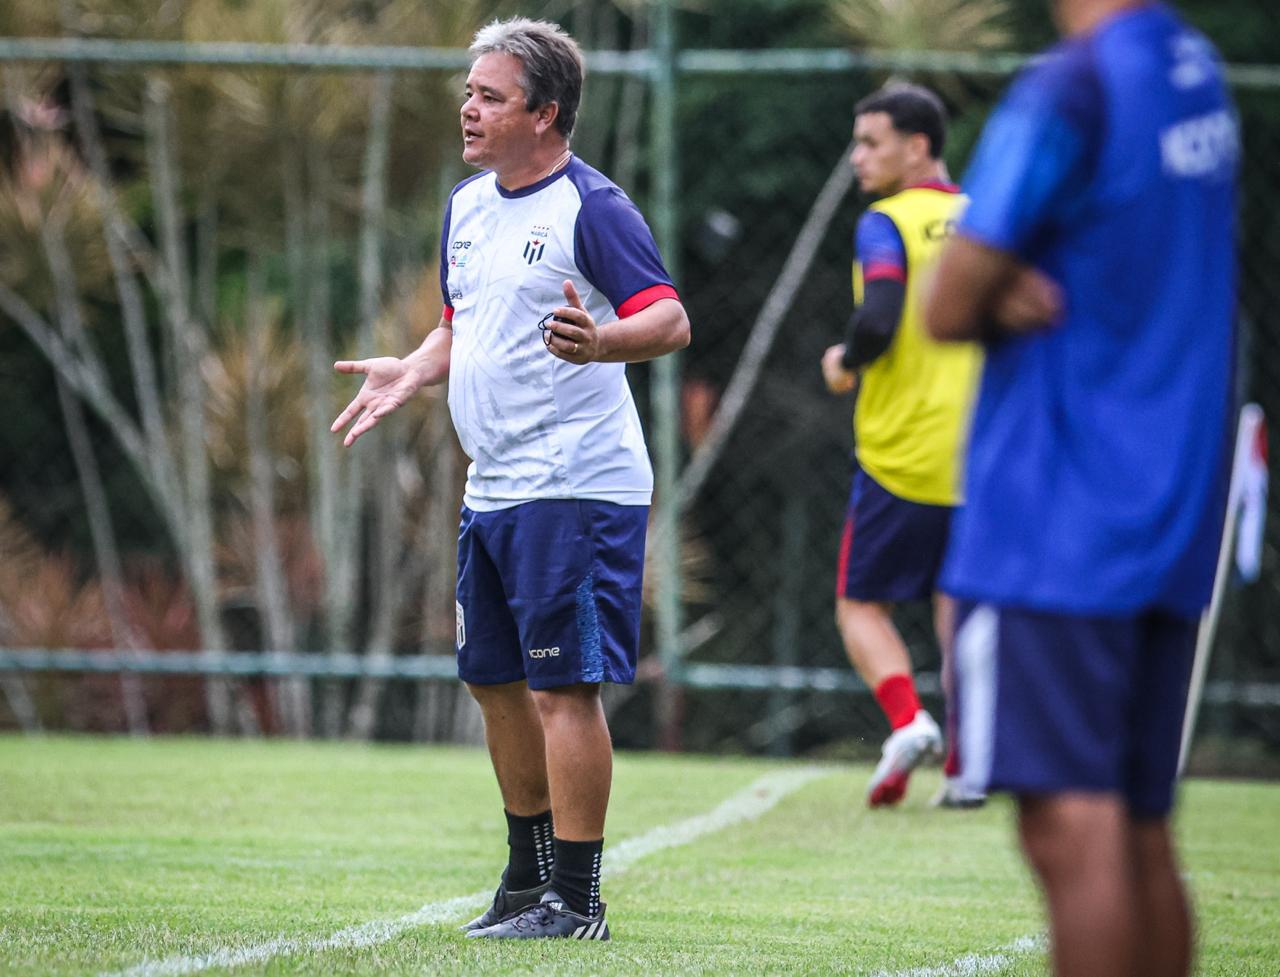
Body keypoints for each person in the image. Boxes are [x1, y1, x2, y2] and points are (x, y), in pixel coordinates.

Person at [332, 17, 689, 941]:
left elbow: (668, 319)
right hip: (493, 485)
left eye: (491, 96)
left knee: (563, 690)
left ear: (546, 113)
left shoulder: (592, 207)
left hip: (576, 484)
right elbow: (462, 323)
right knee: (494, 681)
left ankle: (579, 897)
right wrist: (414, 367)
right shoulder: (467, 205)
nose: (469, 108)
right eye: (469, 92)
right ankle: (528, 880)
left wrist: (602, 341)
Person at [924, 2, 1237, 975]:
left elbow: (944, 302)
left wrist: (992, 277)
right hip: (1167, 505)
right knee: (1141, 827)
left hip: (1057, 521)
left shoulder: (1071, 86)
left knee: (1069, 828)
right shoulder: (1191, 68)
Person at [819, 83, 984, 808]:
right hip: (982, 453)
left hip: (903, 453)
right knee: (961, 607)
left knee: (861, 605)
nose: (858, 157)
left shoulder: (886, 222)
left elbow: (879, 317)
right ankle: (967, 766)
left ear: (918, 147)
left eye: (871, 143)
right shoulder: (988, 221)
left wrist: (845, 360)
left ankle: (909, 720)